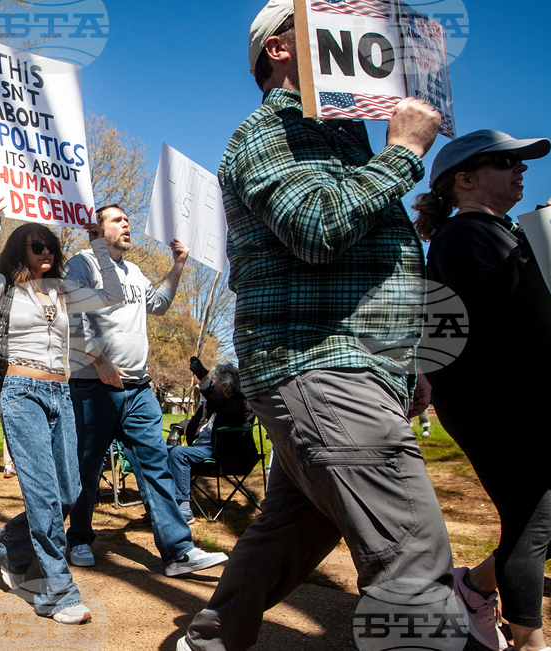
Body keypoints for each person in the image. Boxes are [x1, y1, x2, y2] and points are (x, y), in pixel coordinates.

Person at [178, 3, 452, 650]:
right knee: (412, 551)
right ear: (280, 49)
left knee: (294, 529)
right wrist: (404, 153)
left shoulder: (342, 139)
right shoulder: (270, 130)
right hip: (318, 363)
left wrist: (402, 365)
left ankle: (209, 642)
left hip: (349, 365)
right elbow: (319, 226)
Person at [413, 129, 551, 651]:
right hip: (488, 400)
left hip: (519, 395)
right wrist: (538, 244)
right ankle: (530, 641)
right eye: (505, 161)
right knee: (533, 516)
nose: (521, 168)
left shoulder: (501, 231)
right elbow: (484, 308)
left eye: (521, 162)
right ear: (465, 180)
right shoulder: (463, 234)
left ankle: (472, 588)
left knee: (539, 518)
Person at [0, 191, 123, 625]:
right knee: (41, 493)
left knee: (70, 493)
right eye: (37, 246)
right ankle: (57, 591)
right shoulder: (4, 289)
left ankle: (11, 544)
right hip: (22, 394)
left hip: (61, 393)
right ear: (21, 251)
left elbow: (112, 294)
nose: (46, 252)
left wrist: (97, 245)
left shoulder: (63, 290)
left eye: (50, 245)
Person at [64, 204, 227, 577]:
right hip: (93, 387)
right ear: (99, 228)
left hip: (138, 390)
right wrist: (100, 361)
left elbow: (159, 304)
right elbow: (71, 317)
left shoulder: (134, 272)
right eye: (117, 220)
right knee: (87, 468)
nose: (126, 224)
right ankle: (79, 538)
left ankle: (178, 551)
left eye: (127, 220)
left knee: (156, 466)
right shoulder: (82, 264)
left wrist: (178, 264)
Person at [167, 361, 254, 524]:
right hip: (199, 449)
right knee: (158, 451)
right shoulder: (210, 405)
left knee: (178, 453)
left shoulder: (241, 405)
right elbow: (194, 421)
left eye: (214, 384)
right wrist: (177, 427)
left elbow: (224, 407)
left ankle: (183, 510)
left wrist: (204, 378)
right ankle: (162, 505)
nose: (206, 390)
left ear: (224, 387)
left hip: (220, 454)